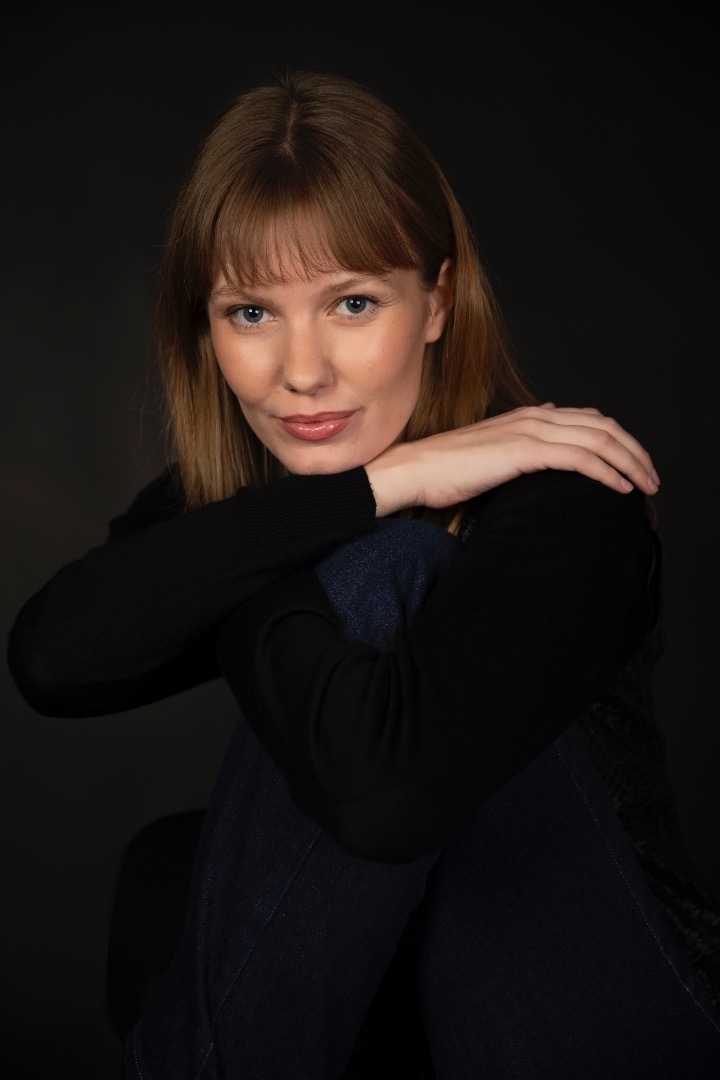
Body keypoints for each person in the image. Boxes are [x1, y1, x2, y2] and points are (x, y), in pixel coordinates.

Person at [8, 69, 720, 1079]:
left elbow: (386, 798)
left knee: (390, 568)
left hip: (615, 1008)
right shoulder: (264, 497)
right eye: (251, 314)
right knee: (175, 860)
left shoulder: (568, 495)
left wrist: (294, 547)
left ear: (437, 301)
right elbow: (53, 656)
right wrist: (379, 485)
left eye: (352, 303)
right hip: (410, 1017)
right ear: (205, 328)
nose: (303, 372)